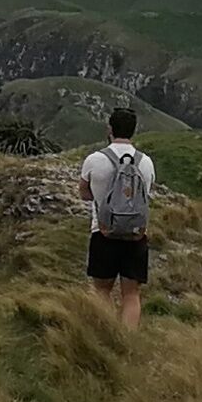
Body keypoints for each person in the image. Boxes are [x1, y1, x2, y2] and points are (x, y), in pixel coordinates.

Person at [78, 104, 154, 322]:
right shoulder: (146, 163)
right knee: (131, 294)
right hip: (136, 234)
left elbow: (84, 194)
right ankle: (127, 341)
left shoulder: (94, 160)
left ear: (109, 129)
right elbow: (147, 194)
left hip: (103, 232)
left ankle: (104, 334)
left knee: (102, 290)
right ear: (134, 131)